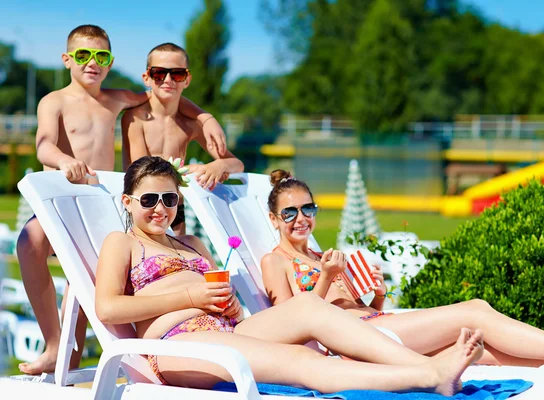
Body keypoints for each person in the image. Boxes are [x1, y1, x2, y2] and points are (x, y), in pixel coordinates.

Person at [95, 155, 484, 394]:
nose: (161, 208)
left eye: (169, 198)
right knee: (301, 361)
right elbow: (108, 308)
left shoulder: (192, 243)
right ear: (128, 202)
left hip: (224, 330)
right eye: (149, 200)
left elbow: (224, 304)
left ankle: (415, 364)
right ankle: (430, 375)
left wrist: (226, 305)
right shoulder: (123, 242)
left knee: (312, 309)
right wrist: (190, 299)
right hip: (178, 346)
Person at [16, 25, 227, 375]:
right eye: (83, 55)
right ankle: (54, 343)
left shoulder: (116, 99)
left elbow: (164, 94)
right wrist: (63, 160)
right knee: (29, 242)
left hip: (100, 202)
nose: (92, 63)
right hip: (62, 198)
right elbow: (44, 143)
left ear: (110, 62)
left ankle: (72, 352)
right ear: (67, 59)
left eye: (101, 56)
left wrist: (206, 116)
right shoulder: (53, 100)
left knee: (83, 271)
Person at [261, 169, 544, 369]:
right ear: (274, 220)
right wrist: (326, 279)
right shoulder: (274, 261)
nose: (301, 218)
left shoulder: (324, 255)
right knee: (476, 311)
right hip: (349, 345)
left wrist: (378, 296)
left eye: (308, 208)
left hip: (376, 326)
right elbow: (292, 325)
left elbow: (362, 309)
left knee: (483, 353)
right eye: (290, 213)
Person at [121, 42, 244, 235]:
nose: (168, 80)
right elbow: (140, 172)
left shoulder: (191, 124)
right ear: (147, 77)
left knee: (180, 258)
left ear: (187, 80)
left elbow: (236, 163)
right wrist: (186, 171)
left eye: (177, 74)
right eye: (159, 73)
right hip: (143, 206)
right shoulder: (136, 118)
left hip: (174, 207)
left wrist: (219, 166)